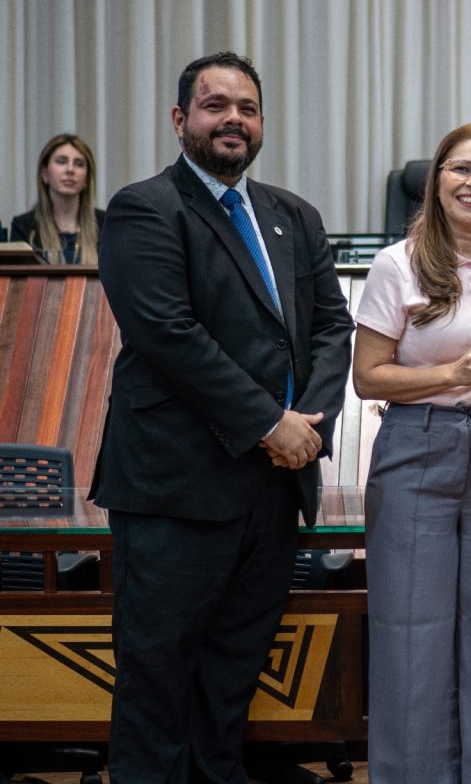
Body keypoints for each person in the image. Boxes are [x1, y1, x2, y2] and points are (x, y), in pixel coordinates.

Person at [89, 51, 354, 783]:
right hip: (175, 491)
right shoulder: (145, 208)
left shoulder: (293, 216)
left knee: (231, 680)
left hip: (271, 491)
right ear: (181, 120)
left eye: (247, 106)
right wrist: (272, 423)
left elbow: (334, 327)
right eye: (214, 104)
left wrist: (311, 421)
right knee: (157, 681)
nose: (232, 118)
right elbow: (168, 334)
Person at [354, 123, 471, 783]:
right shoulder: (397, 264)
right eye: (461, 168)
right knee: (413, 636)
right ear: (436, 180)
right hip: (417, 447)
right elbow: (368, 377)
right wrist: (452, 373)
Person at [8, 133, 104, 263]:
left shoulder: (107, 224)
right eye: (61, 162)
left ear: (86, 179)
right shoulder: (24, 226)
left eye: (79, 164)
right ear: (45, 174)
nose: (70, 170)